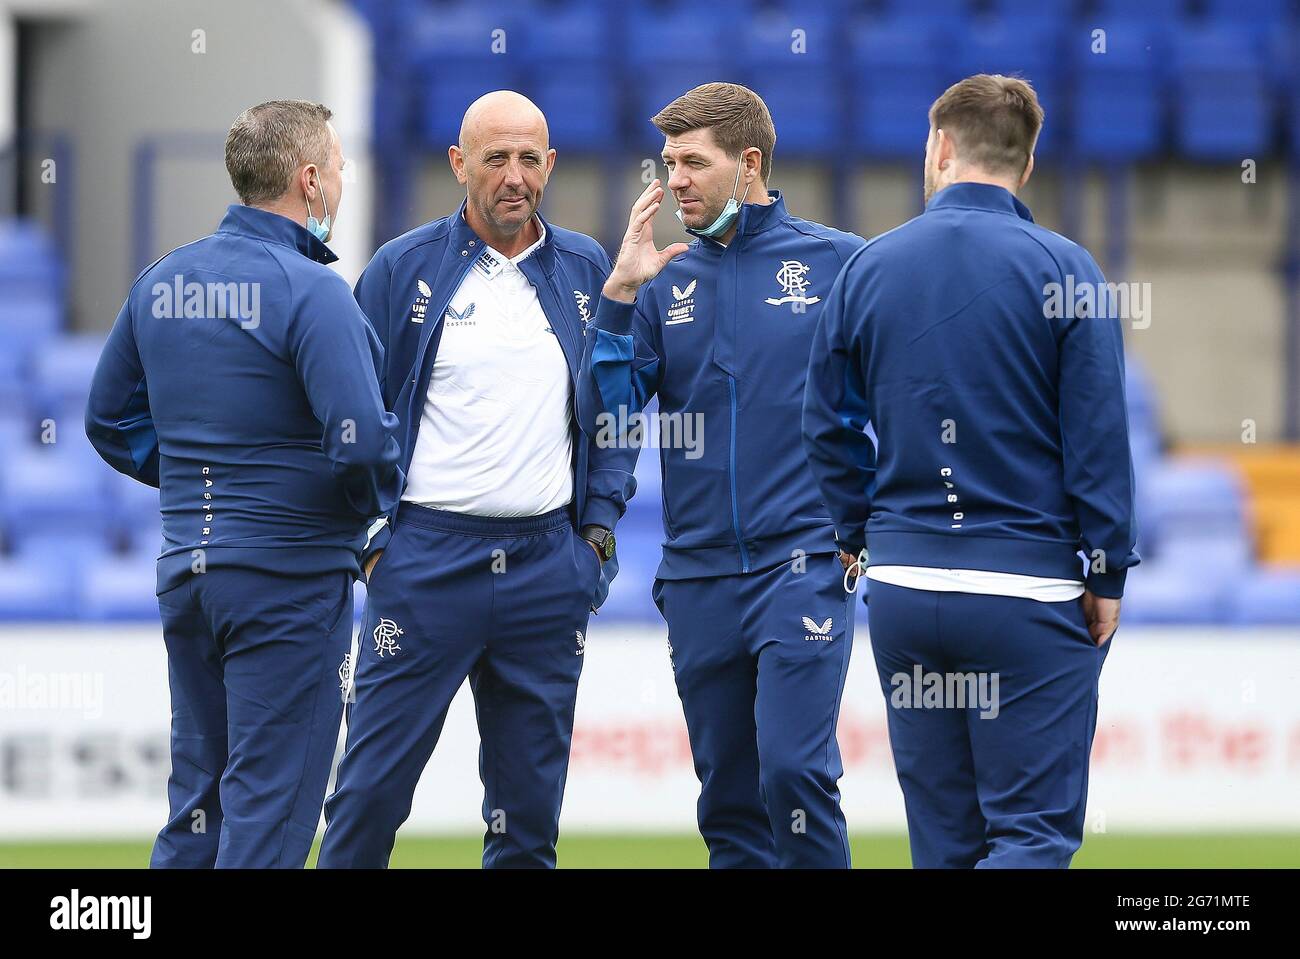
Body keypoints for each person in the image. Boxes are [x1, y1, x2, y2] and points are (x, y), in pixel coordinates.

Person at [802, 74, 1140, 868]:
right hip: (1028, 592)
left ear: (941, 148)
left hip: (908, 591)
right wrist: (1108, 569)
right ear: (1026, 165)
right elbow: (1098, 439)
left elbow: (825, 423)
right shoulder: (1068, 270)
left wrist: (858, 529)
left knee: (945, 844)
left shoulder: (869, 267)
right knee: (1031, 836)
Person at [317, 91, 634, 869]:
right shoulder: (401, 269)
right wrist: (373, 540)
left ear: (551, 165)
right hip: (424, 562)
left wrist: (593, 534)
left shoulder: (589, 268)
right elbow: (351, 415)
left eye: (531, 158)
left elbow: (615, 407)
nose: (515, 176)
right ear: (460, 164)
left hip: (544, 565)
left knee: (526, 818)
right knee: (367, 799)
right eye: (497, 157)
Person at [85, 100, 402, 868]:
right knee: (269, 807)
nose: (344, 181)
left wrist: (207, 483)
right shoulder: (314, 291)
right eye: (338, 166)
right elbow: (360, 441)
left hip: (188, 573)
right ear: (309, 179)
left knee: (199, 804)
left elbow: (105, 419)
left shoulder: (163, 279)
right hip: (286, 582)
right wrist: (372, 518)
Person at [578, 82, 864, 868]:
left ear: (748, 164)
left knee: (795, 772)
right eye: (668, 164)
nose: (675, 181)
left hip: (801, 566)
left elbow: (907, 391)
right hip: (700, 577)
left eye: (692, 163)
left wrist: (869, 517)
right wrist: (618, 295)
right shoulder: (661, 282)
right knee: (730, 804)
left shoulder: (838, 262)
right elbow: (606, 413)